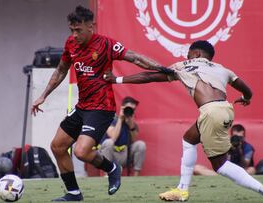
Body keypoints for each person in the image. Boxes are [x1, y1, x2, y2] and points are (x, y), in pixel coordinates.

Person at [103, 40, 263, 202]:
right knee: (189, 139)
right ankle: (182, 189)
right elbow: (246, 89)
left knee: (220, 166)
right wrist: (246, 97)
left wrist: (117, 79)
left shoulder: (183, 66)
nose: (186, 57)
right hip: (225, 110)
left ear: (196, 54)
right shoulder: (222, 69)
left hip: (210, 111)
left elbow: (149, 76)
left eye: (188, 53)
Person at [31, 5, 165, 202]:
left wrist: (162, 68)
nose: (74, 34)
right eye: (72, 30)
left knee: (81, 151)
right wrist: (44, 95)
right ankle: (74, 193)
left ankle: (112, 168)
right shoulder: (71, 44)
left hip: (101, 108)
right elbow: (61, 70)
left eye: (78, 30)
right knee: (57, 146)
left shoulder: (106, 44)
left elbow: (135, 57)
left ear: (91, 26)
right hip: (82, 107)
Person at [99, 96, 146, 176]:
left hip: (125, 154)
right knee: (108, 142)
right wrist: (120, 119)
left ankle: (136, 176)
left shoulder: (132, 123)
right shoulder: (111, 119)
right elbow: (113, 138)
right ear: (122, 108)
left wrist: (130, 124)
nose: (130, 111)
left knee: (140, 144)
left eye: (133, 109)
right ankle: (107, 175)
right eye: (128, 108)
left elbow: (134, 140)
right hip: (110, 154)